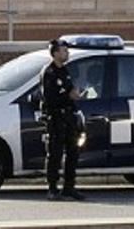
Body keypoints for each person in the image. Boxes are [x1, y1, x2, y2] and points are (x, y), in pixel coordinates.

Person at [41, 39, 84, 201]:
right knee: (55, 154)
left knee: (73, 152)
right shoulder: (49, 73)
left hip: (68, 117)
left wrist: (74, 96)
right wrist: (68, 95)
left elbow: (68, 90)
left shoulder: (65, 71)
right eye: (64, 51)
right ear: (55, 53)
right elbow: (49, 98)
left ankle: (69, 187)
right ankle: (52, 188)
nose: (67, 53)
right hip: (56, 118)